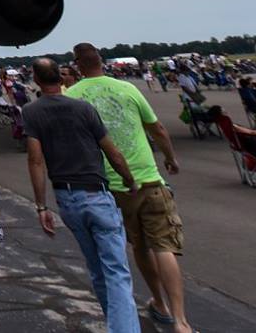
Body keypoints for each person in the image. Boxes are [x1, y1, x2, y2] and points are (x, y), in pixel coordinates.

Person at [67, 43, 192, 333]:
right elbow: (157, 128)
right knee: (164, 247)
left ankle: (159, 303)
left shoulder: (72, 97)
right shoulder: (129, 89)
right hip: (148, 178)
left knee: (140, 245)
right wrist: (170, 158)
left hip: (110, 186)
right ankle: (181, 321)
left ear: (77, 66)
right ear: (102, 62)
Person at [20, 58, 138, 333]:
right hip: (96, 194)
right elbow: (112, 152)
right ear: (61, 79)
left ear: (36, 80)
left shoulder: (31, 112)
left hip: (67, 199)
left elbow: (35, 161)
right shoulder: (84, 108)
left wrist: (40, 206)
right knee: (117, 272)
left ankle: (116, 323)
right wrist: (129, 179)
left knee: (97, 269)